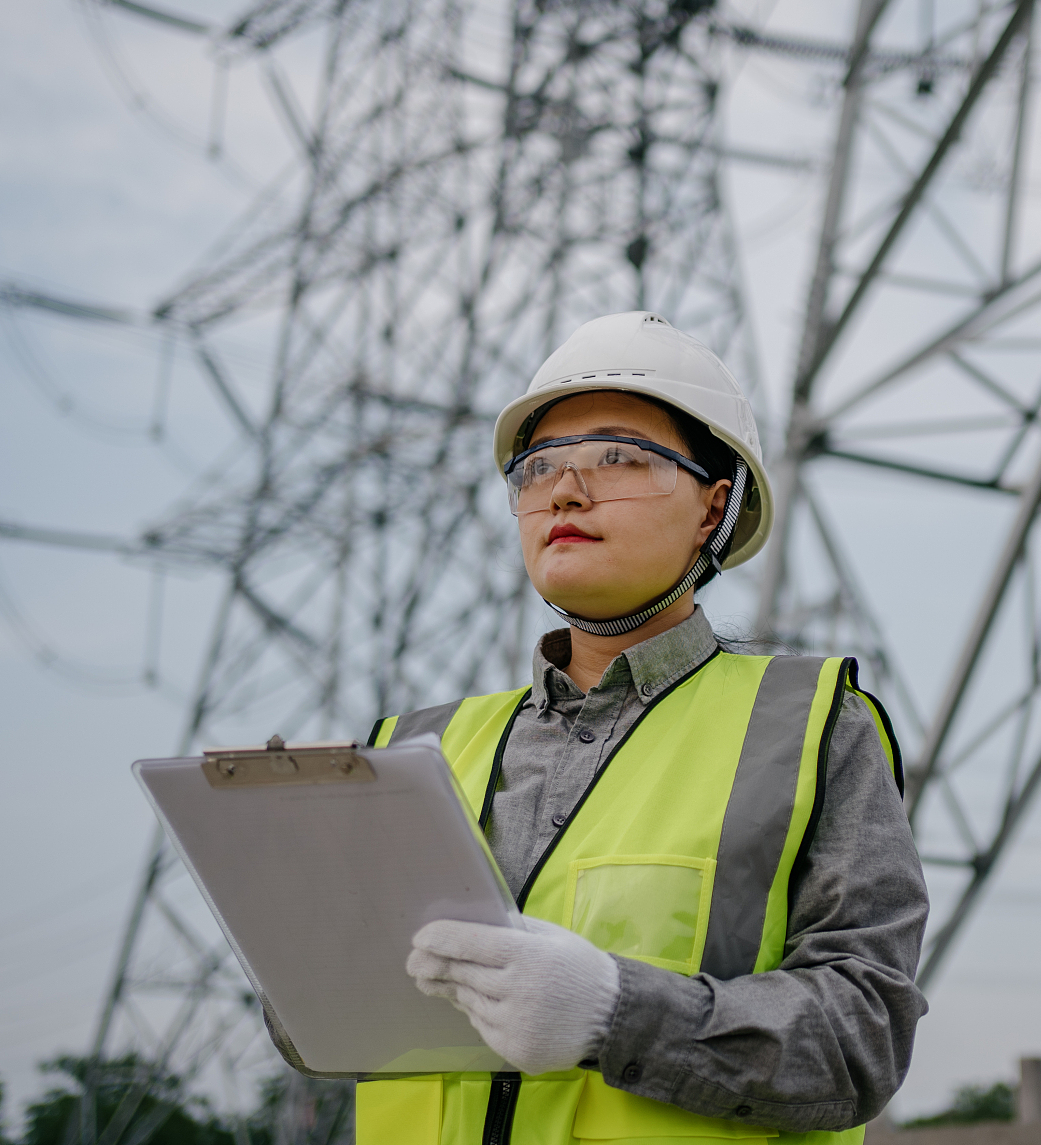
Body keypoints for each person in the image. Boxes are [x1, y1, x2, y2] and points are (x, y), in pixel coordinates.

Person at [356, 312, 928, 1145]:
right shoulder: (417, 751)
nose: (565, 491)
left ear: (713, 506)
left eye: (617, 457)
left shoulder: (810, 728)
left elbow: (861, 1039)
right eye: (538, 466)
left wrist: (615, 1015)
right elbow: (316, 1022)